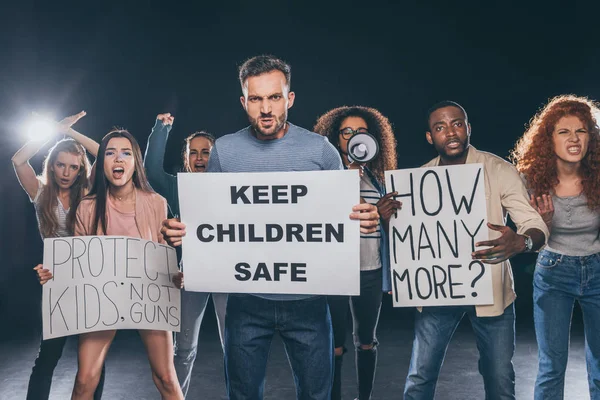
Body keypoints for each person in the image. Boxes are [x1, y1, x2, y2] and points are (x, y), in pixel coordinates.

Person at [160, 55, 380, 400]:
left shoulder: (320, 152)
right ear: (244, 102)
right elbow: (212, 219)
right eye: (257, 99)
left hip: (309, 300)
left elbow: (343, 217)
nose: (266, 108)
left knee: (316, 396)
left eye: (274, 97)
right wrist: (183, 232)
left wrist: (364, 216)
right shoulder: (226, 152)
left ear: (289, 99)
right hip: (247, 301)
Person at [403, 101, 549, 400]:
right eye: (440, 127)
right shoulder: (416, 179)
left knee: (499, 379)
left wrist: (523, 241)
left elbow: (534, 223)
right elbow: (409, 238)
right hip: (437, 291)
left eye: (457, 124)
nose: (450, 132)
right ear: (431, 137)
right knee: (419, 378)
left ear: (468, 128)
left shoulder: (498, 169)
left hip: (490, 291)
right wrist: (390, 215)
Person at [38, 129, 184, 399]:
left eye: (126, 153)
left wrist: (179, 275)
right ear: (101, 163)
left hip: (147, 300)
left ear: (135, 162)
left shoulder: (157, 203)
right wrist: (51, 274)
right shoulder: (87, 207)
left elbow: (167, 261)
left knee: (166, 377)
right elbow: (76, 265)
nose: (118, 158)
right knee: (84, 381)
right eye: (110, 152)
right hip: (102, 300)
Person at [512, 95, 600, 400]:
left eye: (582, 130)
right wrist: (543, 223)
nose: (574, 139)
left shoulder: (598, 178)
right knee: (551, 365)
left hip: (598, 269)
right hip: (553, 271)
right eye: (564, 131)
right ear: (549, 139)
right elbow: (525, 240)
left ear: (591, 137)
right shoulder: (530, 181)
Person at [12, 111, 103, 400]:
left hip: (90, 278)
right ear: (52, 167)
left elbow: (104, 153)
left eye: (73, 167)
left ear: (80, 170)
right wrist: (52, 133)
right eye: (60, 165)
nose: (66, 172)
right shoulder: (39, 191)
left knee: (92, 359)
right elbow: (18, 160)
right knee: (49, 355)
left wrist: (70, 132)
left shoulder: (88, 191)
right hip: (56, 280)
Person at [313, 106, 400, 400]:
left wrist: (386, 216)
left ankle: (365, 397)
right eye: (346, 132)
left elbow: (391, 233)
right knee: (335, 343)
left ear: (372, 139)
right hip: (336, 272)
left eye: (361, 132)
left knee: (367, 341)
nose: (353, 137)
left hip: (370, 271)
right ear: (336, 139)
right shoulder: (325, 178)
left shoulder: (380, 182)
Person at [144, 114, 226, 396]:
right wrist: (161, 129)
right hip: (190, 275)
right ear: (187, 157)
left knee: (235, 348)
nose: (200, 157)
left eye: (206, 152)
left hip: (230, 276)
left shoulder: (232, 185)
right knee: (185, 350)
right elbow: (152, 172)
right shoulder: (178, 186)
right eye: (194, 152)